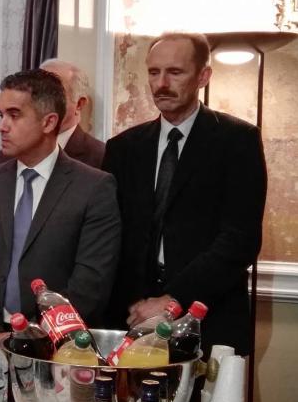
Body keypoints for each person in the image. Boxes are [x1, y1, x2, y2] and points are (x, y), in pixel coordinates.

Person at [102, 32, 267, 354]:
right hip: (132, 316)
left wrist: (173, 299)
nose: (161, 83)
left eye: (175, 72)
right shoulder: (123, 148)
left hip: (209, 315)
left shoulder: (237, 140)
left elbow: (240, 239)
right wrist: (135, 304)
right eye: (154, 72)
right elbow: (111, 236)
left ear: (203, 76)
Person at [0, 69, 121, 331]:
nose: (2, 126)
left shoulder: (94, 187)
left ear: (48, 122)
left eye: (14, 115)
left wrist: (36, 337)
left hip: (57, 339)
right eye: (1, 115)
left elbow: (90, 282)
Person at [0, 59, 104, 168]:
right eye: (36, 92)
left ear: (79, 104)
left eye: (53, 92)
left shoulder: (102, 157)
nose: (40, 101)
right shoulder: (0, 159)